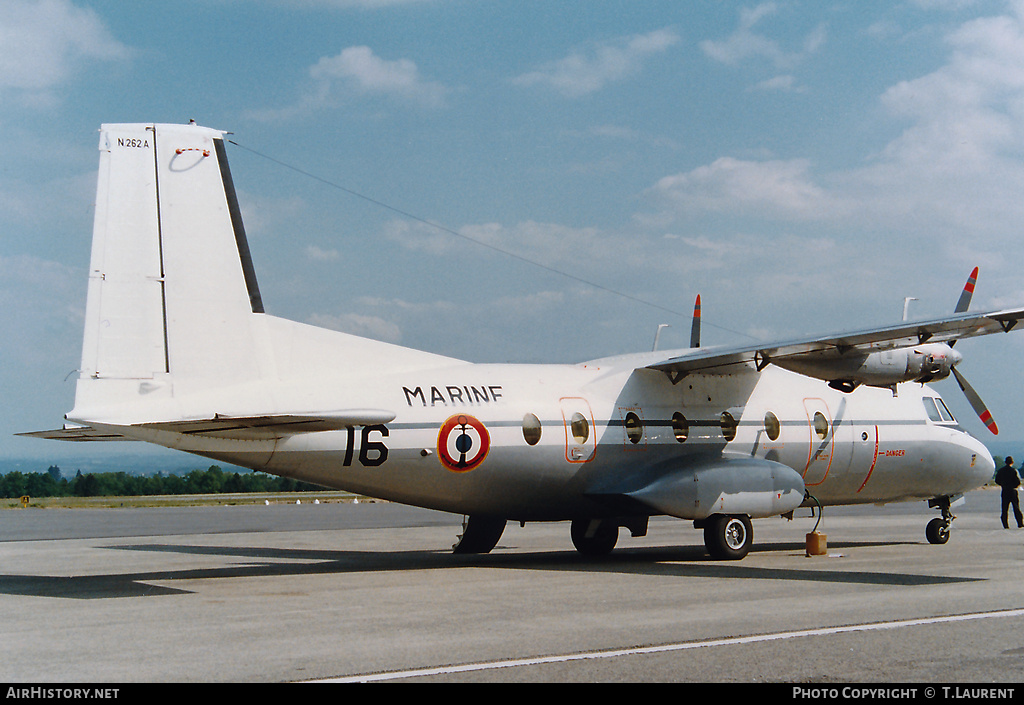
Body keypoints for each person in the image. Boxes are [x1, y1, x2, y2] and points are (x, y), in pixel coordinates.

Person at [994, 456, 1023, 529]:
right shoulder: (1013, 471)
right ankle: (1020, 523)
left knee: (1004, 509)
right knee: (1016, 508)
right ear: (1012, 462)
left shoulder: (1001, 471)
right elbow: (1018, 481)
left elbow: (997, 480)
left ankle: (1005, 525)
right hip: (1012, 490)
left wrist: (1003, 484)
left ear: (1005, 462)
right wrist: (1014, 485)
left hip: (1005, 491)